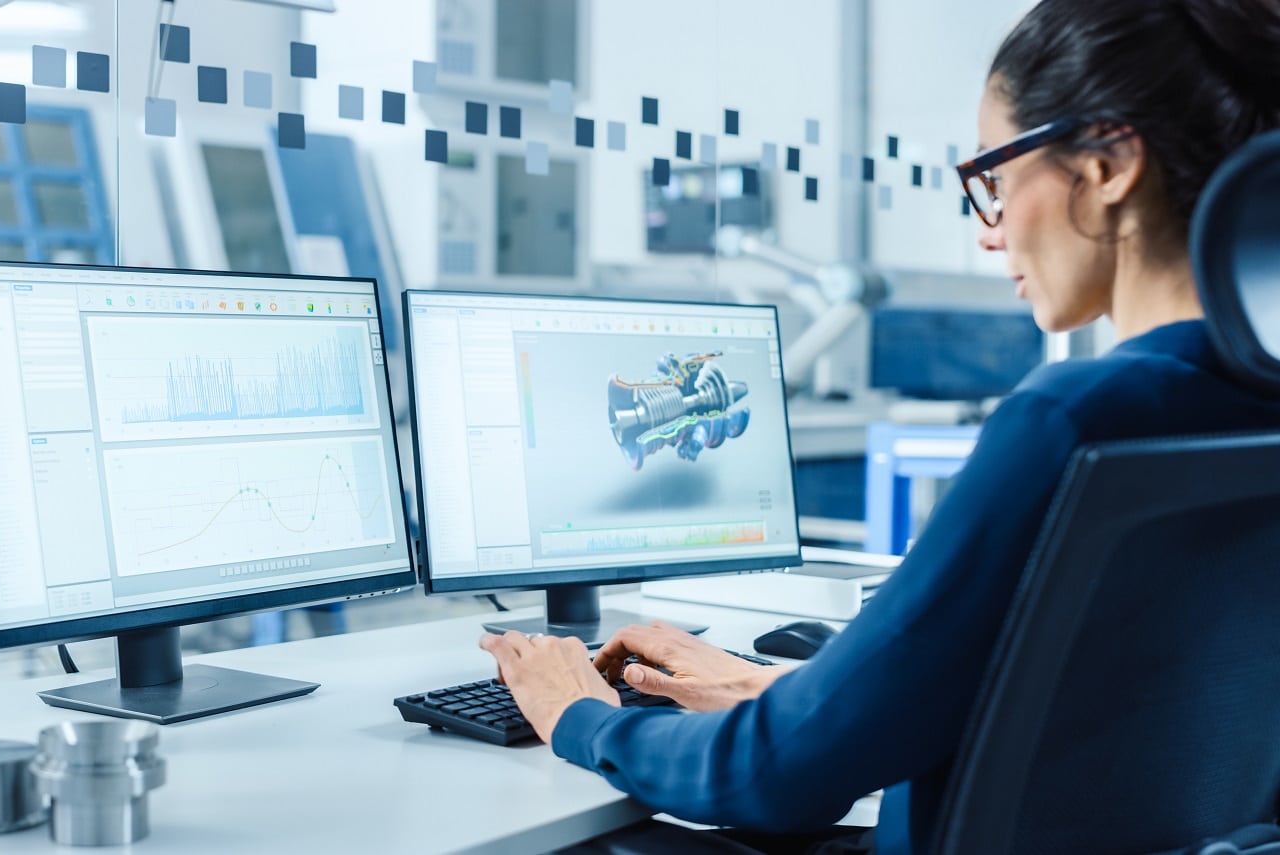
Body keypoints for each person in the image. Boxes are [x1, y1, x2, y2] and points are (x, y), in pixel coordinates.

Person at [477, 1, 1280, 853]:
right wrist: (793, 694)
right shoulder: (1238, 409)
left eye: (997, 180)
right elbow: (1108, 706)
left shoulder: (1069, 420)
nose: (988, 230)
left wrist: (580, 716)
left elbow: (772, 779)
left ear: (1109, 164)